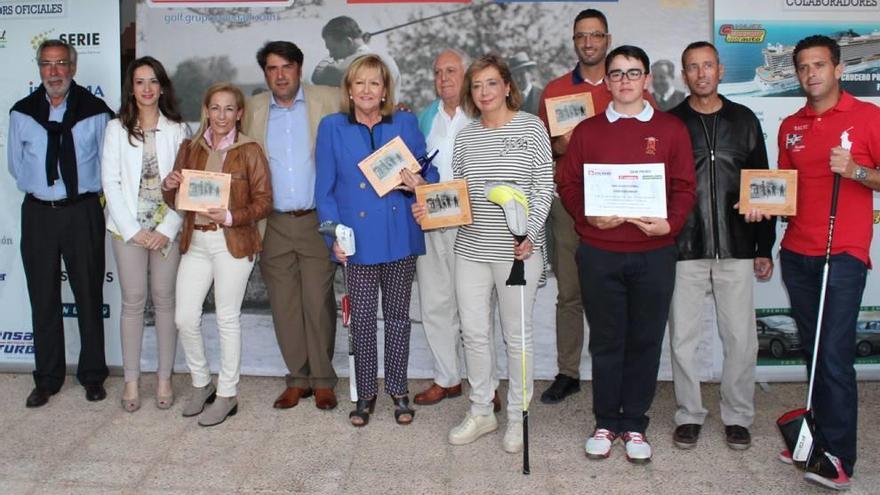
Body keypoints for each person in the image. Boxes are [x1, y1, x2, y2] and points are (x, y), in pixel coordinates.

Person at [745, 34, 880, 490]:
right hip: (798, 253)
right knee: (814, 350)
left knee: (835, 358)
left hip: (841, 255)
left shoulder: (867, 118)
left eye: (819, 65)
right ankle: (813, 436)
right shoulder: (790, 124)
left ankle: (838, 457)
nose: (810, 74)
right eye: (802, 67)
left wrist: (857, 171)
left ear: (838, 69)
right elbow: (784, 190)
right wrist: (762, 205)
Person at [556, 45, 696, 463]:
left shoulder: (671, 129)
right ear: (609, 81)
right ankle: (605, 421)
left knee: (645, 339)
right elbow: (569, 186)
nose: (624, 81)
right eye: (616, 74)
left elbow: (684, 188)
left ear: (647, 79)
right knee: (606, 339)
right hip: (600, 252)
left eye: (633, 73)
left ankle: (634, 422)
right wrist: (589, 218)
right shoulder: (588, 131)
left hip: (655, 253)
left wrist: (669, 224)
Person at [426, 54, 552, 454]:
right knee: (475, 334)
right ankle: (482, 410)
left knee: (517, 337)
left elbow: (543, 187)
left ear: (508, 87)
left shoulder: (531, 128)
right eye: (477, 86)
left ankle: (519, 416)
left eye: (491, 83)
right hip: (472, 250)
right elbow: (458, 193)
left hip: (519, 251)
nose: (483, 92)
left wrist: (530, 234)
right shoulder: (466, 136)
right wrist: (425, 200)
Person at [537, 8, 654, 405]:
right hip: (570, 205)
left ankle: (620, 369)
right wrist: (562, 145)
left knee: (616, 292)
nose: (589, 43)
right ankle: (568, 372)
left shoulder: (624, 83)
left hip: (622, 206)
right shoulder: (554, 91)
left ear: (607, 38)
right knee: (569, 293)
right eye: (581, 36)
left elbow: (651, 138)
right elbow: (545, 149)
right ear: (574, 41)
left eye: (596, 35)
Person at [315, 54, 437, 427]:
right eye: (360, 83)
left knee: (399, 319)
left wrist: (420, 182)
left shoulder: (405, 121)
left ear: (385, 90)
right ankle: (366, 393)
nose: (368, 90)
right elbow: (324, 191)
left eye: (375, 83)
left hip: (400, 235)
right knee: (364, 320)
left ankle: (398, 389)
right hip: (358, 242)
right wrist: (333, 235)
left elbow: (426, 169)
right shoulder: (331, 127)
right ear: (349, 90)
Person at [666, 42, 775, 450]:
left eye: (707, 65)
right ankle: (689, 413)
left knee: (740, 337)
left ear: (720, 70)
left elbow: (764, 183)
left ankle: (738, 415)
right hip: (686, 247)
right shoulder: (671, 123)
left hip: (737, 245)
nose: (701, 73)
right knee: (683, 339)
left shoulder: (745, 119)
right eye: (692, 67)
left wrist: (764, 245)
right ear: (684, 74)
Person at [8, 39, 113, 408]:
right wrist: (44, 190)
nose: (54, 72)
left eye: (61, 64)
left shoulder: (96, 111)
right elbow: (16, 167)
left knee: (88, 294)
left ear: (73, 67)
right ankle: (48, 378)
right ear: (39, 68)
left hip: (82, 211)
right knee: (43, 298)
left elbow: (108, 164)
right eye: (47, 64)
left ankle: (92, 375)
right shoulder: (21, 113)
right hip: (37, 213)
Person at [161, 82, 272, 427]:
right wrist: (169, 188)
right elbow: (178, 201)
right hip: (196, 243)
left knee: (226, 318)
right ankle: (201, 383)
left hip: (232, 242)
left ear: (239, 114)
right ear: (206, 111)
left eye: (229, 109)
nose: (221, 115)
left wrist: (230, 216)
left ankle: (227, 394)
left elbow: (265, 201)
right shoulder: (190, 147)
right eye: (215, 108)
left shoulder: (250, 150)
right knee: (184, 317)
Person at [241, 41, 341, 411]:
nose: (280, 75)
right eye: (271, 68)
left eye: (286, 67)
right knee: (283, 305)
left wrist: (396, 111)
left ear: (299, 68)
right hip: (274, 222)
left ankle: (323, 380)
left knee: (317, 302)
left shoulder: (328, 99)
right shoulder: (251, 109)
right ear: (265, 73)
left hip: (316, 219)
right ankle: (297, 379)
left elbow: (368, 109)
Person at [101, 56, 189, 412]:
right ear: (131, 88)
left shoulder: (178, 129)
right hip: (128, 232)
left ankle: (165, 377)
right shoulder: (115, 129)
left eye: (153, 81)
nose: (147, 89)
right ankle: (132, 381)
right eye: (140, 82)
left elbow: (186, 183)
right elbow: (110, 181)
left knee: (166, 301)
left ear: (163, 86)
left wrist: (167, 229)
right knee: (133, 302)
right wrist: (134, 230)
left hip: (166, 229)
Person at [312, 16, 402, 101]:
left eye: (333, 49)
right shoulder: (390, 62)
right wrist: (362, 44)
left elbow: (317, 76)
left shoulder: (342, 68)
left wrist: (329, 57)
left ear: (348, 42)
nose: (332, 55)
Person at [509, 52, 543, 116]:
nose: (518, 79)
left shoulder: (542, 96)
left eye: (521, 74)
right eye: (515, 76)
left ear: (530, 73)